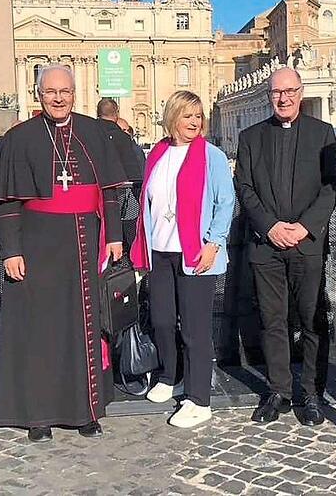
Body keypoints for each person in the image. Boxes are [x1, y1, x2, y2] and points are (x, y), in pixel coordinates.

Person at [0, 65, 127, 442]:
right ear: (39, 94)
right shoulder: (20, 138)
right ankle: (39, 416)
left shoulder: (94, 131)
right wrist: (11, 250)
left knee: (82, 325)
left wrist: (115, 236)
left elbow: (111, 192)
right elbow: (8, 202)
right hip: (36, 243)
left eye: (64, 91)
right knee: (39, 328)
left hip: (85, 239)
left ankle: (85, 411)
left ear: (74, 92)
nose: (58, 98)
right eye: (50, 91)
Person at [235, 67, 336, 426]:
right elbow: (245, 188)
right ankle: (279, 390)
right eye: (277, 92)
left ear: (300, 93)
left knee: (312, 320)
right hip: (266, 245)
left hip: (306, 243)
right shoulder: (250, 137)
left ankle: (312, 393)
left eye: (290, 91)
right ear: (269, 95)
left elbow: (332, 187)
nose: (283, 98)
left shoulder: (322, 134)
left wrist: (303, 227)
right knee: (272, 321)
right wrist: (270, 227)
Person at [130, 91, 234, 428]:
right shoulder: (157, 153)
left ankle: (199, 398)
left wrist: (214, 243)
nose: (195, 122)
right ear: (173, 117)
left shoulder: (212, 156)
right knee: (161, 319)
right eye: (188, 115)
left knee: (194, 329)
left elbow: (225, 202)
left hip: (196, 255)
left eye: (199, 116)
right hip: (160, 250)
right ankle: (169, 376)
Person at [96, 97, 146, 183]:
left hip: (95, 188)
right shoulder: (123, 138)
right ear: (116, 113)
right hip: (118, 190)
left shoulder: (90, 133)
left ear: (98, 113)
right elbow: (132, 169)